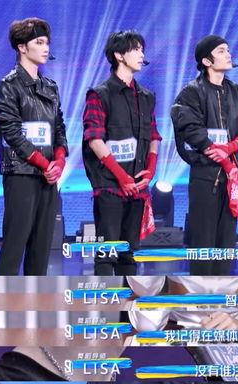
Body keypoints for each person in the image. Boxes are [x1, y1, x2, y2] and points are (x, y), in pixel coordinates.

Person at [171, 35, 238, 275]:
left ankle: (222, 291)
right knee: (203, 240)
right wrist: (217, 152)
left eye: (228, 50)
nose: (228, 54)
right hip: (205, 176)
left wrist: (232, 147)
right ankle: (202, 293)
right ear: (206, 60)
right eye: (221, 51)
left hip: (232, 177)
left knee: (226, 242)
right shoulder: (192, 92)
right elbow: (190, 128)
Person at [0, 17, 68, 275]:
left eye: (47, 43)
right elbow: (12, 135)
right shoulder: (6, 88)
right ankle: (5, 298)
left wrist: (59, 162)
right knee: (15, 244)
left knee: (42, 247)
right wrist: (46, 165)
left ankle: (36, 298)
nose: (46, 48)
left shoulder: (51, 88)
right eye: (39, 42)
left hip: (48, 177)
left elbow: (59, 128)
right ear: (22, 47)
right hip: (21, 174)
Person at [83, 31, 162, 275]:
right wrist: (121, 177)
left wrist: (150, 170)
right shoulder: (100, 94)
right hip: (110, 186)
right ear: (119, 55)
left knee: (129, 254)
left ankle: (128, 300)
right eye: (135, 49)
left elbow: (154, 136)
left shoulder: (146, 96)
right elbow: (94, 139)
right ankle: (107, 300)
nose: (141, 54)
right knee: (107, 253)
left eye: (141, 49)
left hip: (137, 186)